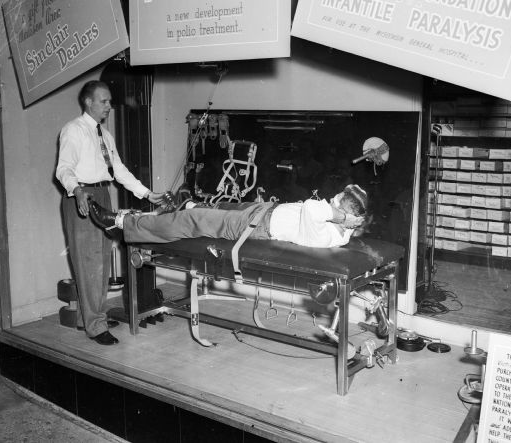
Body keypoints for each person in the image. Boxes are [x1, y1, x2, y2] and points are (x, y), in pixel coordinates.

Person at [56, 80, 168, 346]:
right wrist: (79, 191)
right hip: (81, 196)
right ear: (88, 102)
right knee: (89, 262)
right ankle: (96, 326)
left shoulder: (104, 135)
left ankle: (92, 318)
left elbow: (119, 170)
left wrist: (146, 193)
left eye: (109, 101)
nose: (109, 106)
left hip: (103, 194)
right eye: (103, 101)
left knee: (102, 261)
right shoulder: (73, 130)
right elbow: (63, 169)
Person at [89, 184, 368, 248]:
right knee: (197, 208)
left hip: (254, 225)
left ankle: (120, 223)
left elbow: (311, 207)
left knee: (191, 222)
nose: (330, 201)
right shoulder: (334, 224)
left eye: (336, 202)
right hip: (261, 212)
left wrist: (342, 219)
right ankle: (174, 209)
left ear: (347, 214)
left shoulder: (331, 233)